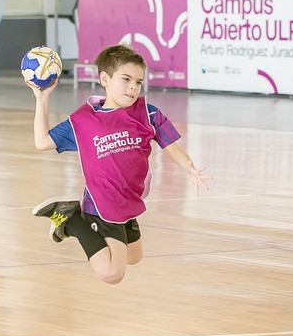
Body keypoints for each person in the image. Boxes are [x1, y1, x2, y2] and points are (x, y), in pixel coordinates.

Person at [27, 44, 212, 285]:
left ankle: (72, 214)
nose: (133, 87)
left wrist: (190, 168)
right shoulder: (83, 121)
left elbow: (171, 146)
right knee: (112, 273)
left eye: (138, 82)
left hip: (128, 201)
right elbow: (42, 142)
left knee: (134, 256)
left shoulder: (148, 114)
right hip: (102, 203)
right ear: (105, 79)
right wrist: (42, 99)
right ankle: (72, 220)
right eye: (126, 79)